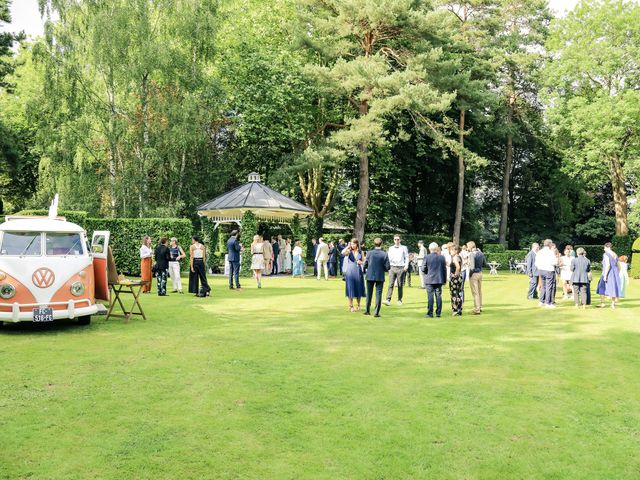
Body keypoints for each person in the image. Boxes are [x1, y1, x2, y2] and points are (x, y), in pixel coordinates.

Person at [363, 237, 390, 317]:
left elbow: (365, 264)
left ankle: (367, 311)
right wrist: (383, 269)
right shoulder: (384, 254)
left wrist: (366, 269)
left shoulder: (369, 253)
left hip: (370, 275)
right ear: (381, 244)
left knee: (369, 294)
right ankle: (376, 312)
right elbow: (388, 267)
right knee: (378, 294)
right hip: (380, 276)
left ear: (373, 243)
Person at [423, 242, 447, 318]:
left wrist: (427, 272)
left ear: (429, 249)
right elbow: (444, 269)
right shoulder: (442, 257)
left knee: (430, 296)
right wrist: (444, 280)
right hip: (439, 279)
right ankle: (438, 312)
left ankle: (430, 313)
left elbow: (423, 269)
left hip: (429, 279)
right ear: (437, 249)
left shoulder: (427, 257)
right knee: (438, 296)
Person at [384, 235, 409, 306]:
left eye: (398, 239)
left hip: (401, 267)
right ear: (393, 240)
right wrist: (388, 266)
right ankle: (388, 300)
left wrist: (406, 266)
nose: (396, 241)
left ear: (400, 240)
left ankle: (399, 299)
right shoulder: (391, 248)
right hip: (392, 267)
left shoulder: (404, 247)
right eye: (395, 239)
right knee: (390, 284)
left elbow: (406, 257)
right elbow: (388, 257)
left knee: (400, 284)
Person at [342, 238, 366, 312]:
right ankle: (351, 305)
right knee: (351, 288)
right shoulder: (349, 251)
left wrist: (361, 263)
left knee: (358, 287)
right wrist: (348, 246)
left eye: (354, 244)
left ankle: (358, 305)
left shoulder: (361, 252)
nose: (353, 245)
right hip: (350, 271)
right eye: (352, 244)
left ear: (357, 244)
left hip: (358, 271)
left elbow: (365, 262)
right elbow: (342, 253)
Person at [596, 242, 621, 308]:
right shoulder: (615, 254)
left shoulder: (606, 254)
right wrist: (616, 273)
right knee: (613, 288)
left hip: (608, 272)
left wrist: (605, 275)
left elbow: (608, 265)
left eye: (604, 248)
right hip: (614, 273)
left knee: (601, 287)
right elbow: (619, 266)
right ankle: (612, 304)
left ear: (608, 247)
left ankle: (602, 303)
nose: (604, 249)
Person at [535, 239, 558, 308]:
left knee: (543, 286)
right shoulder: (551, 252)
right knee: (549, 287)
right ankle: (548, 303)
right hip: (549, 270)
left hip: (541, 270)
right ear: (550, 244)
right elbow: (554, 262)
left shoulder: (540, 252)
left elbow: (536, 263)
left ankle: (541, 301)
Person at [467, 241, 486, 315]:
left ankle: (476, 309)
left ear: (471, 247)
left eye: (468, 246)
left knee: (475, 292)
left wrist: (470, 275)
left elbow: (471, 268)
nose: (467, 248)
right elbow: (485, 263)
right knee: (479, 291)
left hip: (474, 274)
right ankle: (480, 306)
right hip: (480, 273)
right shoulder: (481, 253)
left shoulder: (472, 255)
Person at [449, 245, 463, 316]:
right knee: (459, 292)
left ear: (456, 251)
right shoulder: (459, 257)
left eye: (451, 250)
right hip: (460, 277)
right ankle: (459, 309)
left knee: (454, 293)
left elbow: (458, 267)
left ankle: (455, 309)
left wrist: (455, 275)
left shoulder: (455, 258)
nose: (450, 251)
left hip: (455, 277)